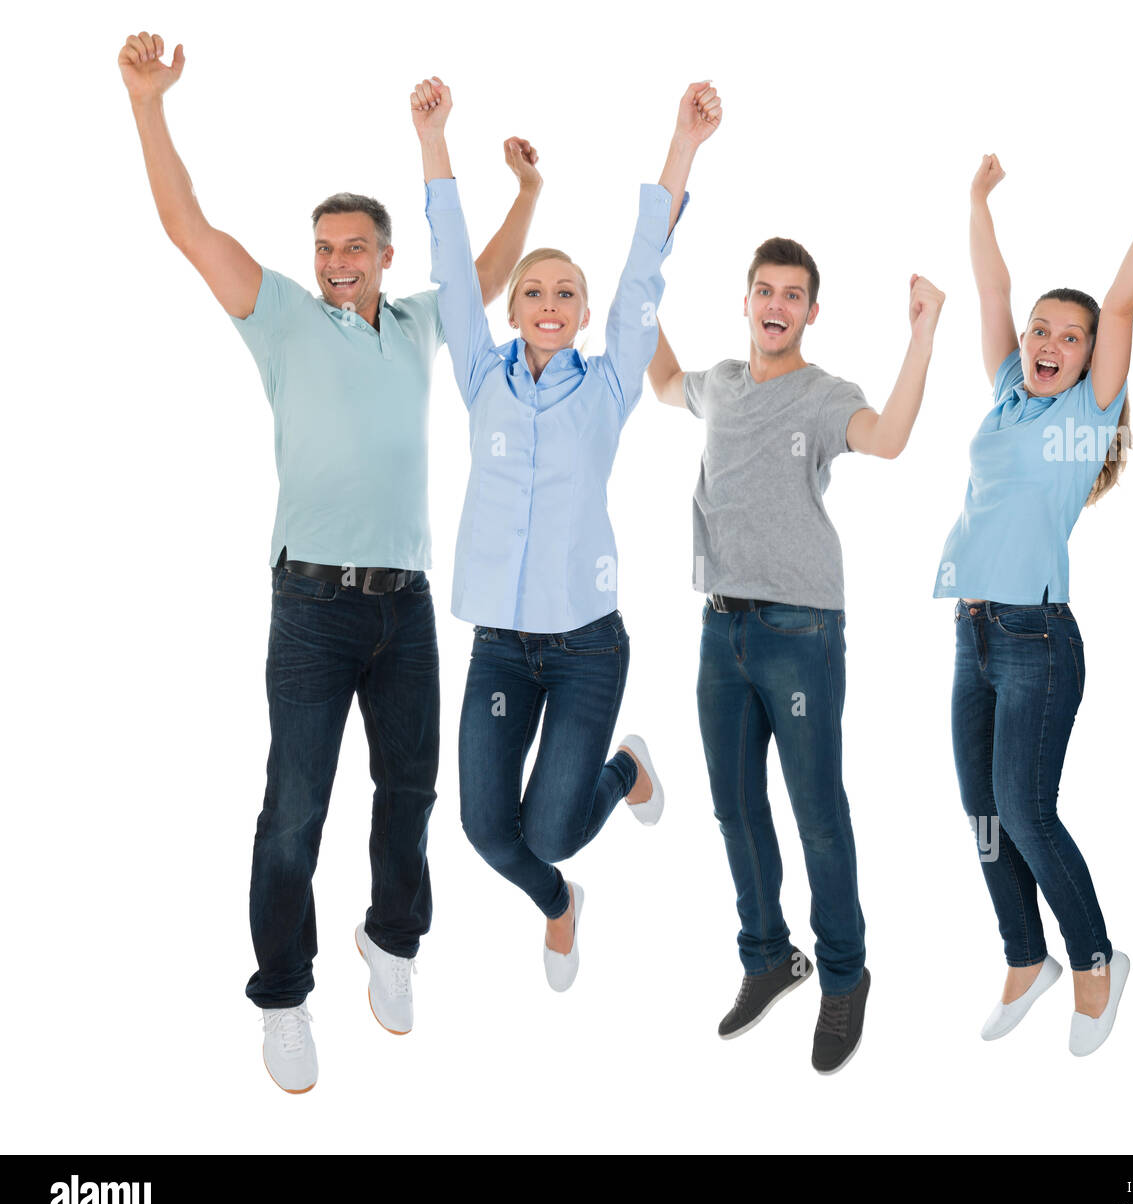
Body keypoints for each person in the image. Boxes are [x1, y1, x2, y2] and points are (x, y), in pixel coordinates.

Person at [119, 31, 542, 1093]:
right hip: (311, 605)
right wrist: (147, 102)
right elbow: (183, 223)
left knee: (411, 789)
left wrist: (522, 192)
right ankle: (284, 994)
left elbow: (483, 279)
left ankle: (392, 940)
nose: (337, 262)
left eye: (355, 246)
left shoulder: (413, 328)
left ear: (385, 255)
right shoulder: (281, 319)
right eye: (325, 248)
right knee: (296, 803)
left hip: (405, 603)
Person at [415, 77, 721, 991]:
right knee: (482, 827)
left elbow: (643, 273)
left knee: (548, 827)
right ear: (512, 309)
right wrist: (433, 137)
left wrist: (683, 143)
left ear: (586, 315)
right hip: (501, 650)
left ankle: (622, 768)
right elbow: (446, 258)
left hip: (588, 647)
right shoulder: (479, 374)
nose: (550, 302)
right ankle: (560, 902)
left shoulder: (609, 386)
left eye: (567, 293)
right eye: (535, 290)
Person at [650, 241, 944, 1073]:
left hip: (801, 629)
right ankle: (767, 957)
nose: (776, 305)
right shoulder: (722, 384)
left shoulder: (822, 396)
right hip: (720, 629)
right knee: (735, 808)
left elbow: (886, 439)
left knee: (816, 810)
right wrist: (640, 296)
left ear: (812, 312)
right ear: (746, 302)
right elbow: (665, 380)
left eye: (793, 295)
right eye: (764, 291)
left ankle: (845, 974)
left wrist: (922, 332)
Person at [936, 147, 1133, 1055]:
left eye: (1066, 337)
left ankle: (1095, 958)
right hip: (972, 630)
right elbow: (992, 291)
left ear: (1090, 361)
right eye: (1041, 330)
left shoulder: (1087, 412)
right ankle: (1023, 956)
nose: (1045, 343)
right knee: (984, 811)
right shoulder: (1008, 393)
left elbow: (1121, 304)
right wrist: (977, 202)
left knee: (1026, 807)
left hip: (1037, 637)